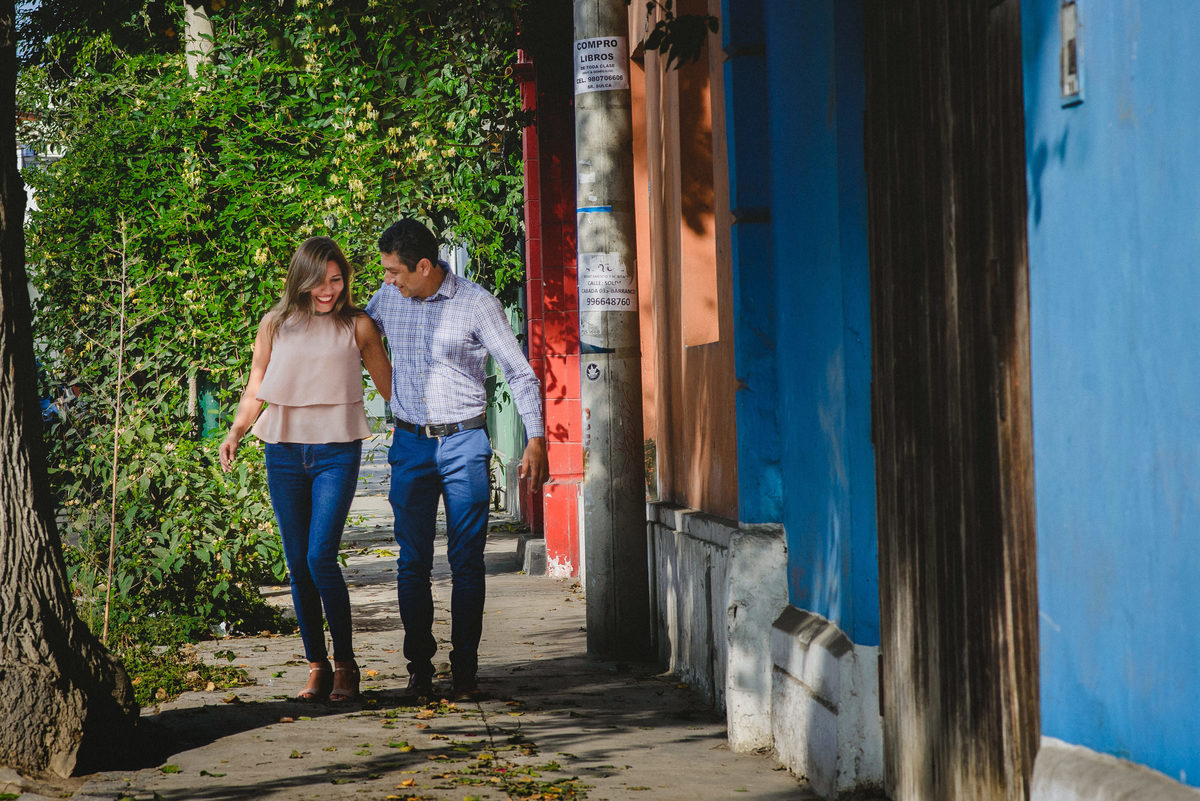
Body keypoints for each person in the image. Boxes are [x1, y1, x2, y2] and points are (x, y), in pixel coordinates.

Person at [366, 218, 548, 702]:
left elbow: (519, 372)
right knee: (412, 562)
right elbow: (356, 337)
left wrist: (537, 438)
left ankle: (465, 670)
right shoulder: (385, 301)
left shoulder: (476, 303)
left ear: (423, 267)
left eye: (393, 272)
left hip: (464, 443)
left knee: (466, 562)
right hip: (410, 445)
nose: (387, 281)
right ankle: (419, 667)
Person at [220, 236, 392, 703]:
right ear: (301, 279)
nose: (327, 290)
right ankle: (316, 665)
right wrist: (236, 431)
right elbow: (257, 384)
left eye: (336, 280)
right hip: (283, 450)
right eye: (319, 281)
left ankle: (346, 664)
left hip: (337, 451)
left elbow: (390, 386)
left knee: (320, 556)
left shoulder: (357, 326)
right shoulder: (275, 324)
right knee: (297, 564)